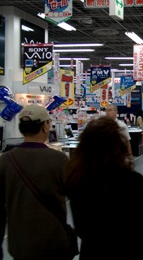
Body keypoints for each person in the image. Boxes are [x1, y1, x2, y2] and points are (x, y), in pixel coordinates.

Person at [63, 117, 143, 259]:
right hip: (131, 251)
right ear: (118, 145)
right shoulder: (133, 181)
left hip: (94, 251)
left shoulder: (77, 182)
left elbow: (81, 228)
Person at [0, 105, 74, 260]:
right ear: (45, 126)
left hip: (20, 243)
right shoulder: (58, 159)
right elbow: (76, 197)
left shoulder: (5, 161)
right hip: (53, 241)